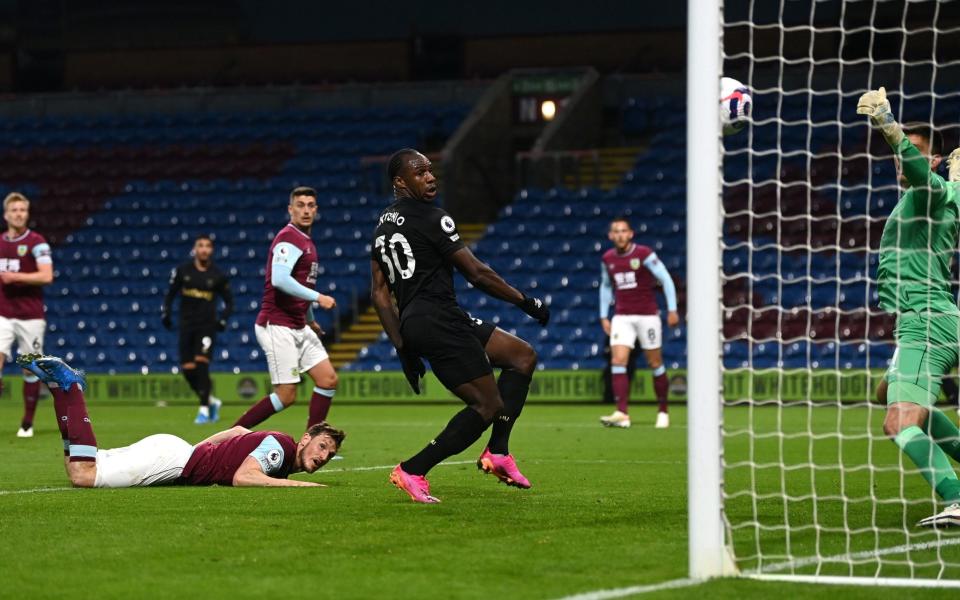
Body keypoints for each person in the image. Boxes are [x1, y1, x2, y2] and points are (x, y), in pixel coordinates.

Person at [370, 148, 550, 504]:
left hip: (428, 318)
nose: (430, 177)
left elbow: (379, 293)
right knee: (486, 404)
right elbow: (477, 273)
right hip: (438, 320)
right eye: (420, 173)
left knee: (521, 356)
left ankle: (497, 452)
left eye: (430, 171)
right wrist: (524, 301)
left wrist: (403, 347)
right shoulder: (433, 217)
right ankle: (413, 469)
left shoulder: (382, 226)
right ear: (400, 182)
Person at [858, 86, 960, 527]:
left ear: (935, 162)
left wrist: (887, 123)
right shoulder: (930, 195)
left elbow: (920, 171)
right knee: (888, 396)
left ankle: (956, 498)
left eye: (916, 151)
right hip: (923, 321)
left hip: (927, 322)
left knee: (900, 423)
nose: (903, 157)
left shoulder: (932, 191)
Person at [16, 353, 344, 488]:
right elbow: (245, 476)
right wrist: (299, 484)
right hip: (174, 461)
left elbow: (238, 430)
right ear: (305, 439)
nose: (323, 456)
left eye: (328, 455)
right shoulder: (283, 449)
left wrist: (198, 450)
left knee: (77, 465)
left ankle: (61, 390)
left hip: (177, 451)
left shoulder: (279, 445)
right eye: (322, 446)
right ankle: (72, 388)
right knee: (84, 476)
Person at [234, 187, 339, 431]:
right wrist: (319, 297)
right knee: (286, 395)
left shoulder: (307, 242)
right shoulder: (289, 238)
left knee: (328, 379)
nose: (306, 210)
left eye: (310, 205)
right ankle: (230, 437)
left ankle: (310, 441)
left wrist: (310, 318)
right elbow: (280, 280)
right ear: (290, 210)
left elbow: (299, 286)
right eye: (300, 205)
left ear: (316, 210)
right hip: (277, 324)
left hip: (298, 324)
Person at [598, 217, 679, 429]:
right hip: (622, 316)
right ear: (610, 236)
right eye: (616, 231)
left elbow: (666, 279)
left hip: (647, 316)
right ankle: (622, 414)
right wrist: (603, 315)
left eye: (624, 231)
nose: (620, 234)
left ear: (631, 233)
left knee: (655, 363)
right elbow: (606, 287)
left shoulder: (644, 254)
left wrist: (672, 309)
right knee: (618, 360)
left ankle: (663, 410)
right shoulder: (608, 258)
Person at [162, 234, 234, 424]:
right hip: (186, 325)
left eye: (207, 246)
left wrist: (223, 320)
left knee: (202, 365)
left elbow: (229, 302)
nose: (204, 249)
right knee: (188, 370)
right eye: (200, 245)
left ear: (211, 250)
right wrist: (166, 314)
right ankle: (211, 401)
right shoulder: (183, 271)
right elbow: (170, 295)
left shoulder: (217, 275)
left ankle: (203, 410)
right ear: (195, 249)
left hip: (206, 326)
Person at [0, 192, 54, 438]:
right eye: (14, 210)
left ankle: (27, 422)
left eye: (22, 209)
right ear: (6, 215)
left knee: (29, 370)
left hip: (31, 315)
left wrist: (17, 277)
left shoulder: (37, 242)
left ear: (27, 214)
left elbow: (46, 276)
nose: (19, 213)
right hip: (3, 312)